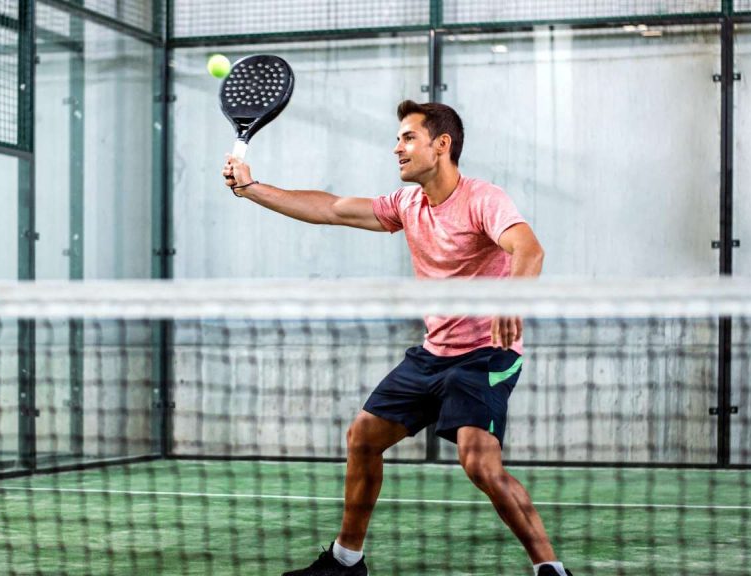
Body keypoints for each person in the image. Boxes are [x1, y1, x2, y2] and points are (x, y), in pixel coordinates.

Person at [221, 100, 571, 576]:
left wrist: (513, 300)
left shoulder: (482, 199)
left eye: (408, 137)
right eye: (398, 138)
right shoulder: (408, 205)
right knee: (363, 436)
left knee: (480, 464)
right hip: (432, 355)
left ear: (441, 145)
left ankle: (550, 569)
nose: (397, 147)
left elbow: (529, 247)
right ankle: (347, 561)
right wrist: (252, 188)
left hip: (485, 356)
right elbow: (332, 208)